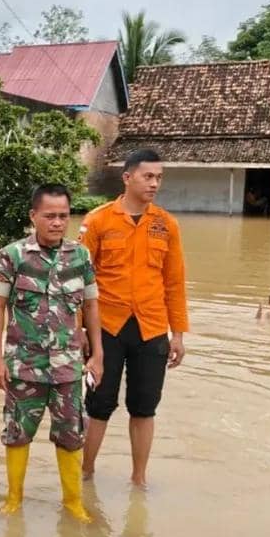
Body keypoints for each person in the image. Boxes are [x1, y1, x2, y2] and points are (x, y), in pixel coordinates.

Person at [0, 184, 103, 521]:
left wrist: (97, 355)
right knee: (17, 432)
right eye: (50, 216)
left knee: (71, 435)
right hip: (24, 365)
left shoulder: (80, 256)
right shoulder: (12, 256)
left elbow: (92, 307)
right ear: (33, 216)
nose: (57, 222)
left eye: (63, 216)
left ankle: (73, 503)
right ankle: (14, 500)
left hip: (68, 367)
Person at [79, 148, 189, 488]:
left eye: (159, 177)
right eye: (148, 176)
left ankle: (139, 479)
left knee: (144, 408)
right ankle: (85, 473)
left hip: (151, 328)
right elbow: (79, 279)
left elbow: (174, 282)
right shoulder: (98, 220)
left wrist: (178, 334)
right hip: (105, 328)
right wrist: (80, 329)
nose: (154, 183)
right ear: (127, 178)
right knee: (99, 404)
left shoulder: (166, 225)